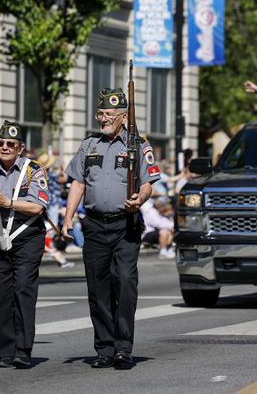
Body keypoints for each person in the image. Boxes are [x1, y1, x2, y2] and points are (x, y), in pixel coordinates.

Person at [62, 88, 160, 370]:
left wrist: (139, 199)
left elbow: (147, 183)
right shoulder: (88, 145)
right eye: (100, 113)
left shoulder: (138, 144)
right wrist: (68, 218)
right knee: (98, 288)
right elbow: (78, 183)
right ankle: (104, 348)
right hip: (94, 226)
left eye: (109, 114)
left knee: (125, 282)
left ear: (122, 117)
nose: (103, 119)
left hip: (125, 225)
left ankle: (123, 348)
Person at [0, 121, 50, 368]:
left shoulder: (33, 171)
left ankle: (22, 350)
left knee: (23, 289)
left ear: (20, 148)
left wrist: (6, 202)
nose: (4, 148)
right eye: (0, 144)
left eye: (10, 144)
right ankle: (4, 351)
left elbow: (37, 206)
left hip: (26, 235)